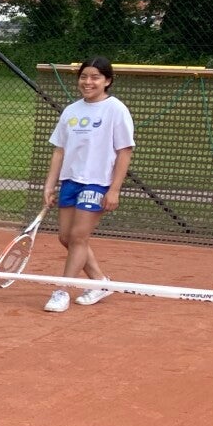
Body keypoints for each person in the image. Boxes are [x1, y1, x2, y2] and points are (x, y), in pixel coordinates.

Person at [41, 57, 134, 313]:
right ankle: (100, 282)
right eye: (84, 77)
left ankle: (62, 291)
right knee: (66, 238)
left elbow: (125, 152)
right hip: (70, 181)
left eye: (95, 77)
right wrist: (49, 185)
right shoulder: (71, 111)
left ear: (107, 81)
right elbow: (59, 151)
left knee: (79, 237)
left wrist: (114, 189)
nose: (88, 82)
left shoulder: (116, 110)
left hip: (98, 183)